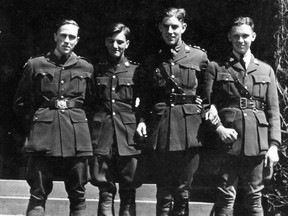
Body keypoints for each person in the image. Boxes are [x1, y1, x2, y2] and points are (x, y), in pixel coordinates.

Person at [13, 19, 93, 216]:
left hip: (76, 136)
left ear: (77, 40)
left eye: (71, 37)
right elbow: (21, 102)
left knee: (78, 193)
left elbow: (92, 104)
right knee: (38, 193)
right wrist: (36, 124)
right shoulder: (36, 64)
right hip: (43, 135)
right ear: (55, 37)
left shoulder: (86, 67)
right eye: (63, 35)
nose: (67, 40)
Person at [204, 16, 281, 216]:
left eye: (245, 36)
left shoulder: (266, 70)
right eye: (236, 36)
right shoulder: (216, 67)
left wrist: (274, 146)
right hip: (227, 142)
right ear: (229, 37)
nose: (241, 40)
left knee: (255, 198)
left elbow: (273, 112)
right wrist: (218, 128)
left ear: (253, 37)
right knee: (225, 197)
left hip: (257, 142)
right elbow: (205, 105)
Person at [136, 7, 209, 216]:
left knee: (184, 190)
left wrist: (208, 109)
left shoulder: (199, 57)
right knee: (164, 190)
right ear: (160, 28)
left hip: (189, 130)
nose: (170, 31)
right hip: (163, 129)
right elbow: (146, 97)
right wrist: (141, 119)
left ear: (183, 27)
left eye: (175, 27)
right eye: (166, 26)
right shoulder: (152, 61)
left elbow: (207, 94)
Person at [89, 23, 142, 216]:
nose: (115, 45)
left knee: (129, 186)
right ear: (105, 42)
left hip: (127, 134)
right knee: (105, 186)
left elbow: (144, 103)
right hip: (102, 133)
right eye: (111, 41)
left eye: (120, 41)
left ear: (127, 43)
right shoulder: (96, 69)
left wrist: (142, 121)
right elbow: (89, 101)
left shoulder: (136, 70)